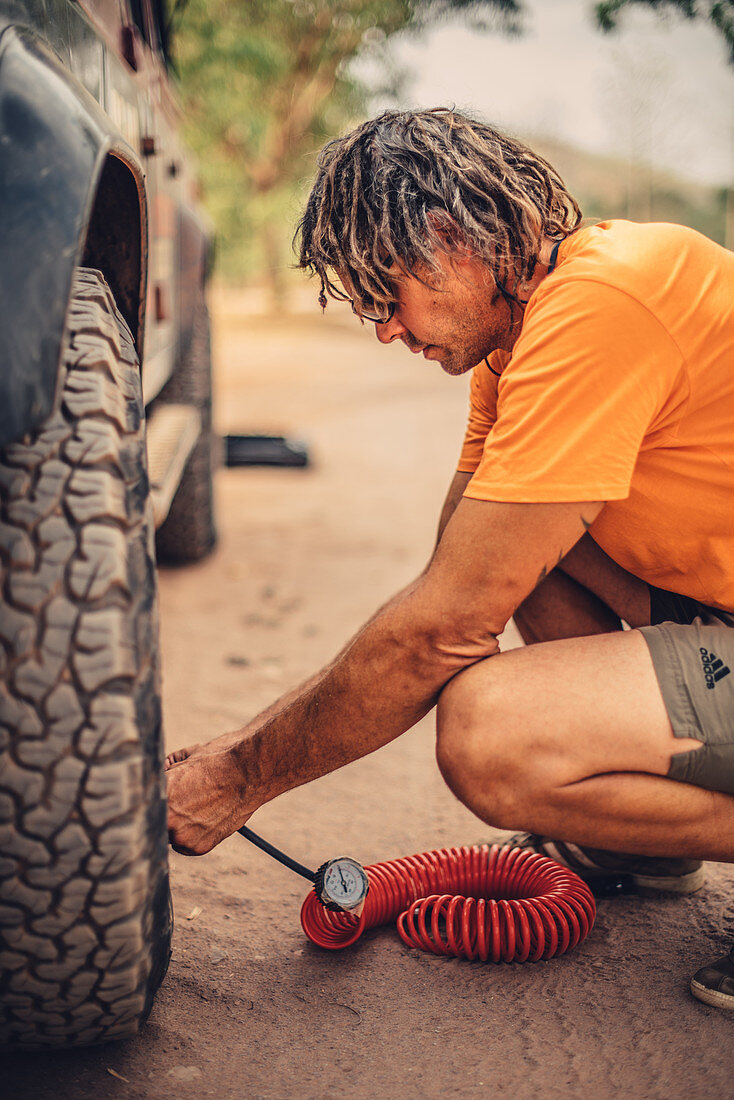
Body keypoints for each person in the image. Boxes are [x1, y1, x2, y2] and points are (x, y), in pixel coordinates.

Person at [166, 108, 734, 1009]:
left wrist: (241, 774)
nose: (385, 329)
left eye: (386, 293)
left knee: (491, 737)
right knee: (527, 550)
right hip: (715, 616)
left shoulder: (606, 307)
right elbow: (456, 579)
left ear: (450, 239)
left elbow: (442, 631)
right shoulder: (513, 351)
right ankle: (642, 846)